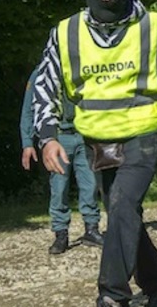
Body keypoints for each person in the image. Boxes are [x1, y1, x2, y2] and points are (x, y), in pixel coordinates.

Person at [33, 0, 157, 307]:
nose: (110, 1)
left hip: (143, 133)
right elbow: (44, 85)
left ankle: (111, 298)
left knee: (120, 206)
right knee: (123, 213)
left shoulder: (152, 26)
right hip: (99, 141)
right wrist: (47, 135)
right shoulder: (67, 33)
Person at [21, 65, 101, 254]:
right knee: (59, 187)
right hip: (57, 138)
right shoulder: (41, 73)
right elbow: (28, 110)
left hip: (84, 134)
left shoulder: (81, 66)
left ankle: (92, 229)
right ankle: (61, 233)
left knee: (90, 183)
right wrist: (27, 143)